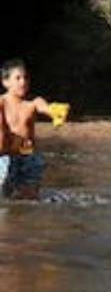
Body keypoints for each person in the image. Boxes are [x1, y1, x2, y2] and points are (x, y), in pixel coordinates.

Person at [1, 59, 65, 200]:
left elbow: (45, 108)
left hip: (27, 154)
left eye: (26, 78)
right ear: (5, 82)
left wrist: (55, 112)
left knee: (29, 196)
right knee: (5, 196)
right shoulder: (2, 102)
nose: (23, 82)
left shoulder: (34, 102)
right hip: (5, 155)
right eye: (18, 78)